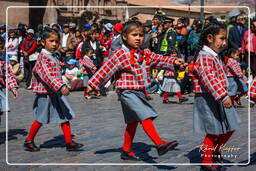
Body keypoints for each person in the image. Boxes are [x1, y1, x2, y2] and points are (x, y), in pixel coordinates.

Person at [85, 21, 183, 161]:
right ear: (124, 36)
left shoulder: (144, 53)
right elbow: (106, 69)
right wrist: (92, 84)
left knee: (133, 123)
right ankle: (159, 143)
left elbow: (159, 59)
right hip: (127, 92)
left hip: (140, 92)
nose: (138, 38)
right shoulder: (120, 54)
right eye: (134, 35)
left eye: (141, 35)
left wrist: (173, 62)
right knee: (145, 115)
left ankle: (126, 151)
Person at [23, 28, 83, 152]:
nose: (55, 44)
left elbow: (55, 68)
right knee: (40, 118)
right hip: (45, 94)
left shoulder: (52, 56)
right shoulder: (42, 58)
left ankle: (69, 142)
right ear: (43, 42)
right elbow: (47, 76)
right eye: (51, 41)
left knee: (65, 115)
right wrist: (61, 86)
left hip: (55, 92)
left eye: (57, 41)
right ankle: (29, 140)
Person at [193, 22, 240, 171]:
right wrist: (223, 96)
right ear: (210, 38)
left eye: (225, 39)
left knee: (231, 125)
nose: (225, 43)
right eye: (222, 38)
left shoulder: (215, 55)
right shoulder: (205, 56)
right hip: (208, 98)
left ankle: (216, 151)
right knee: (213, 130)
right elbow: (209, 78)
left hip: (218, 96)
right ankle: (206, 162)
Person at [0, 56, 19, 124]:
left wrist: (13, 88)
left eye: (2, 48)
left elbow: (9, 75)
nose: (1, 50)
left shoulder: (2, 63)